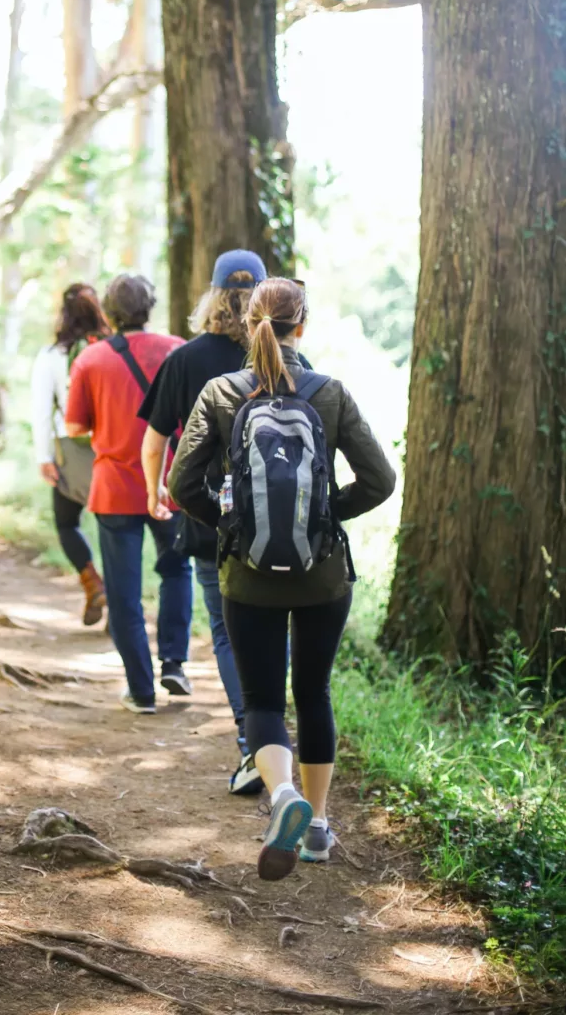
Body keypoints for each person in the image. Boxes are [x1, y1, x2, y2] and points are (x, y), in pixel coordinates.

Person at [169, 277, 395, 880]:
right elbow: (380, 481)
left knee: (264, 699)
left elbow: (180, 485)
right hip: (322, 578)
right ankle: (317, 827)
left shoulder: (221, 393)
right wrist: (324, 517)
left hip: (247, 576)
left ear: (248, 324)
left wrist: (231, 526)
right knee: (314, 692)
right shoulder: (330, 392)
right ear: (304, 325)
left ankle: (283, 797)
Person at [139, 250, 311, 796]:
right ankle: (275, 740)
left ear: (210, 296)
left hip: (212, 520)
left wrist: (155, 493)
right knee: (278, 627)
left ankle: (252, 746)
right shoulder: (292, 362)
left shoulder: (185, 360)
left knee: (229, 635)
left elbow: (155, 442)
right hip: (289, 522)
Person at [65, 274, 191, 714]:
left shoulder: (91, 360)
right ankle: (174, 661)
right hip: (171, 483)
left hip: (116, 487)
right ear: (150, 306)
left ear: (109, 313)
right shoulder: (177, 349)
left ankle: (141, 690)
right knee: (177, 570)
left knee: (123, 593)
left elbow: (75, 426)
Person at [31, 284, 110, 625]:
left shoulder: (52, 356)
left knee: (67, 522)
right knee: (114, 529)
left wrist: (44, 457)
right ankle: (119, 606)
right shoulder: (113, 349)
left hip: (70, 452)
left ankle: (92, 581)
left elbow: (39, 411)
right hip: (112, 450)